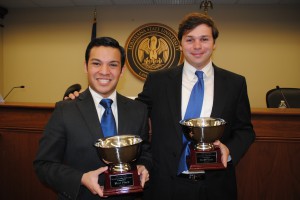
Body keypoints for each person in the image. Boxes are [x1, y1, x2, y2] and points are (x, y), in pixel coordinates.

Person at [136, 12, 255, 200]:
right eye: (190, 39)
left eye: (204, 39)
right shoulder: (158, 81)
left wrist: (229, 150)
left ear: (214, 43)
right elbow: (133, 115)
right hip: (165, 184)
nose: (197, 46)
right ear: (181, 45)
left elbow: (245, 130)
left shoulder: (235, 83)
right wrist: (78, 98)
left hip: (215, 185)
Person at [34, 37, 152, 200]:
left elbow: (145, 153)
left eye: (113, 64)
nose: (104, 71)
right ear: (86, 66)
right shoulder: (65, 110)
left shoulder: (138, 110)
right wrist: (81, 178)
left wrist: (143, 166)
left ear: (122, 70)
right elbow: (44, 165)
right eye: (96, 63)